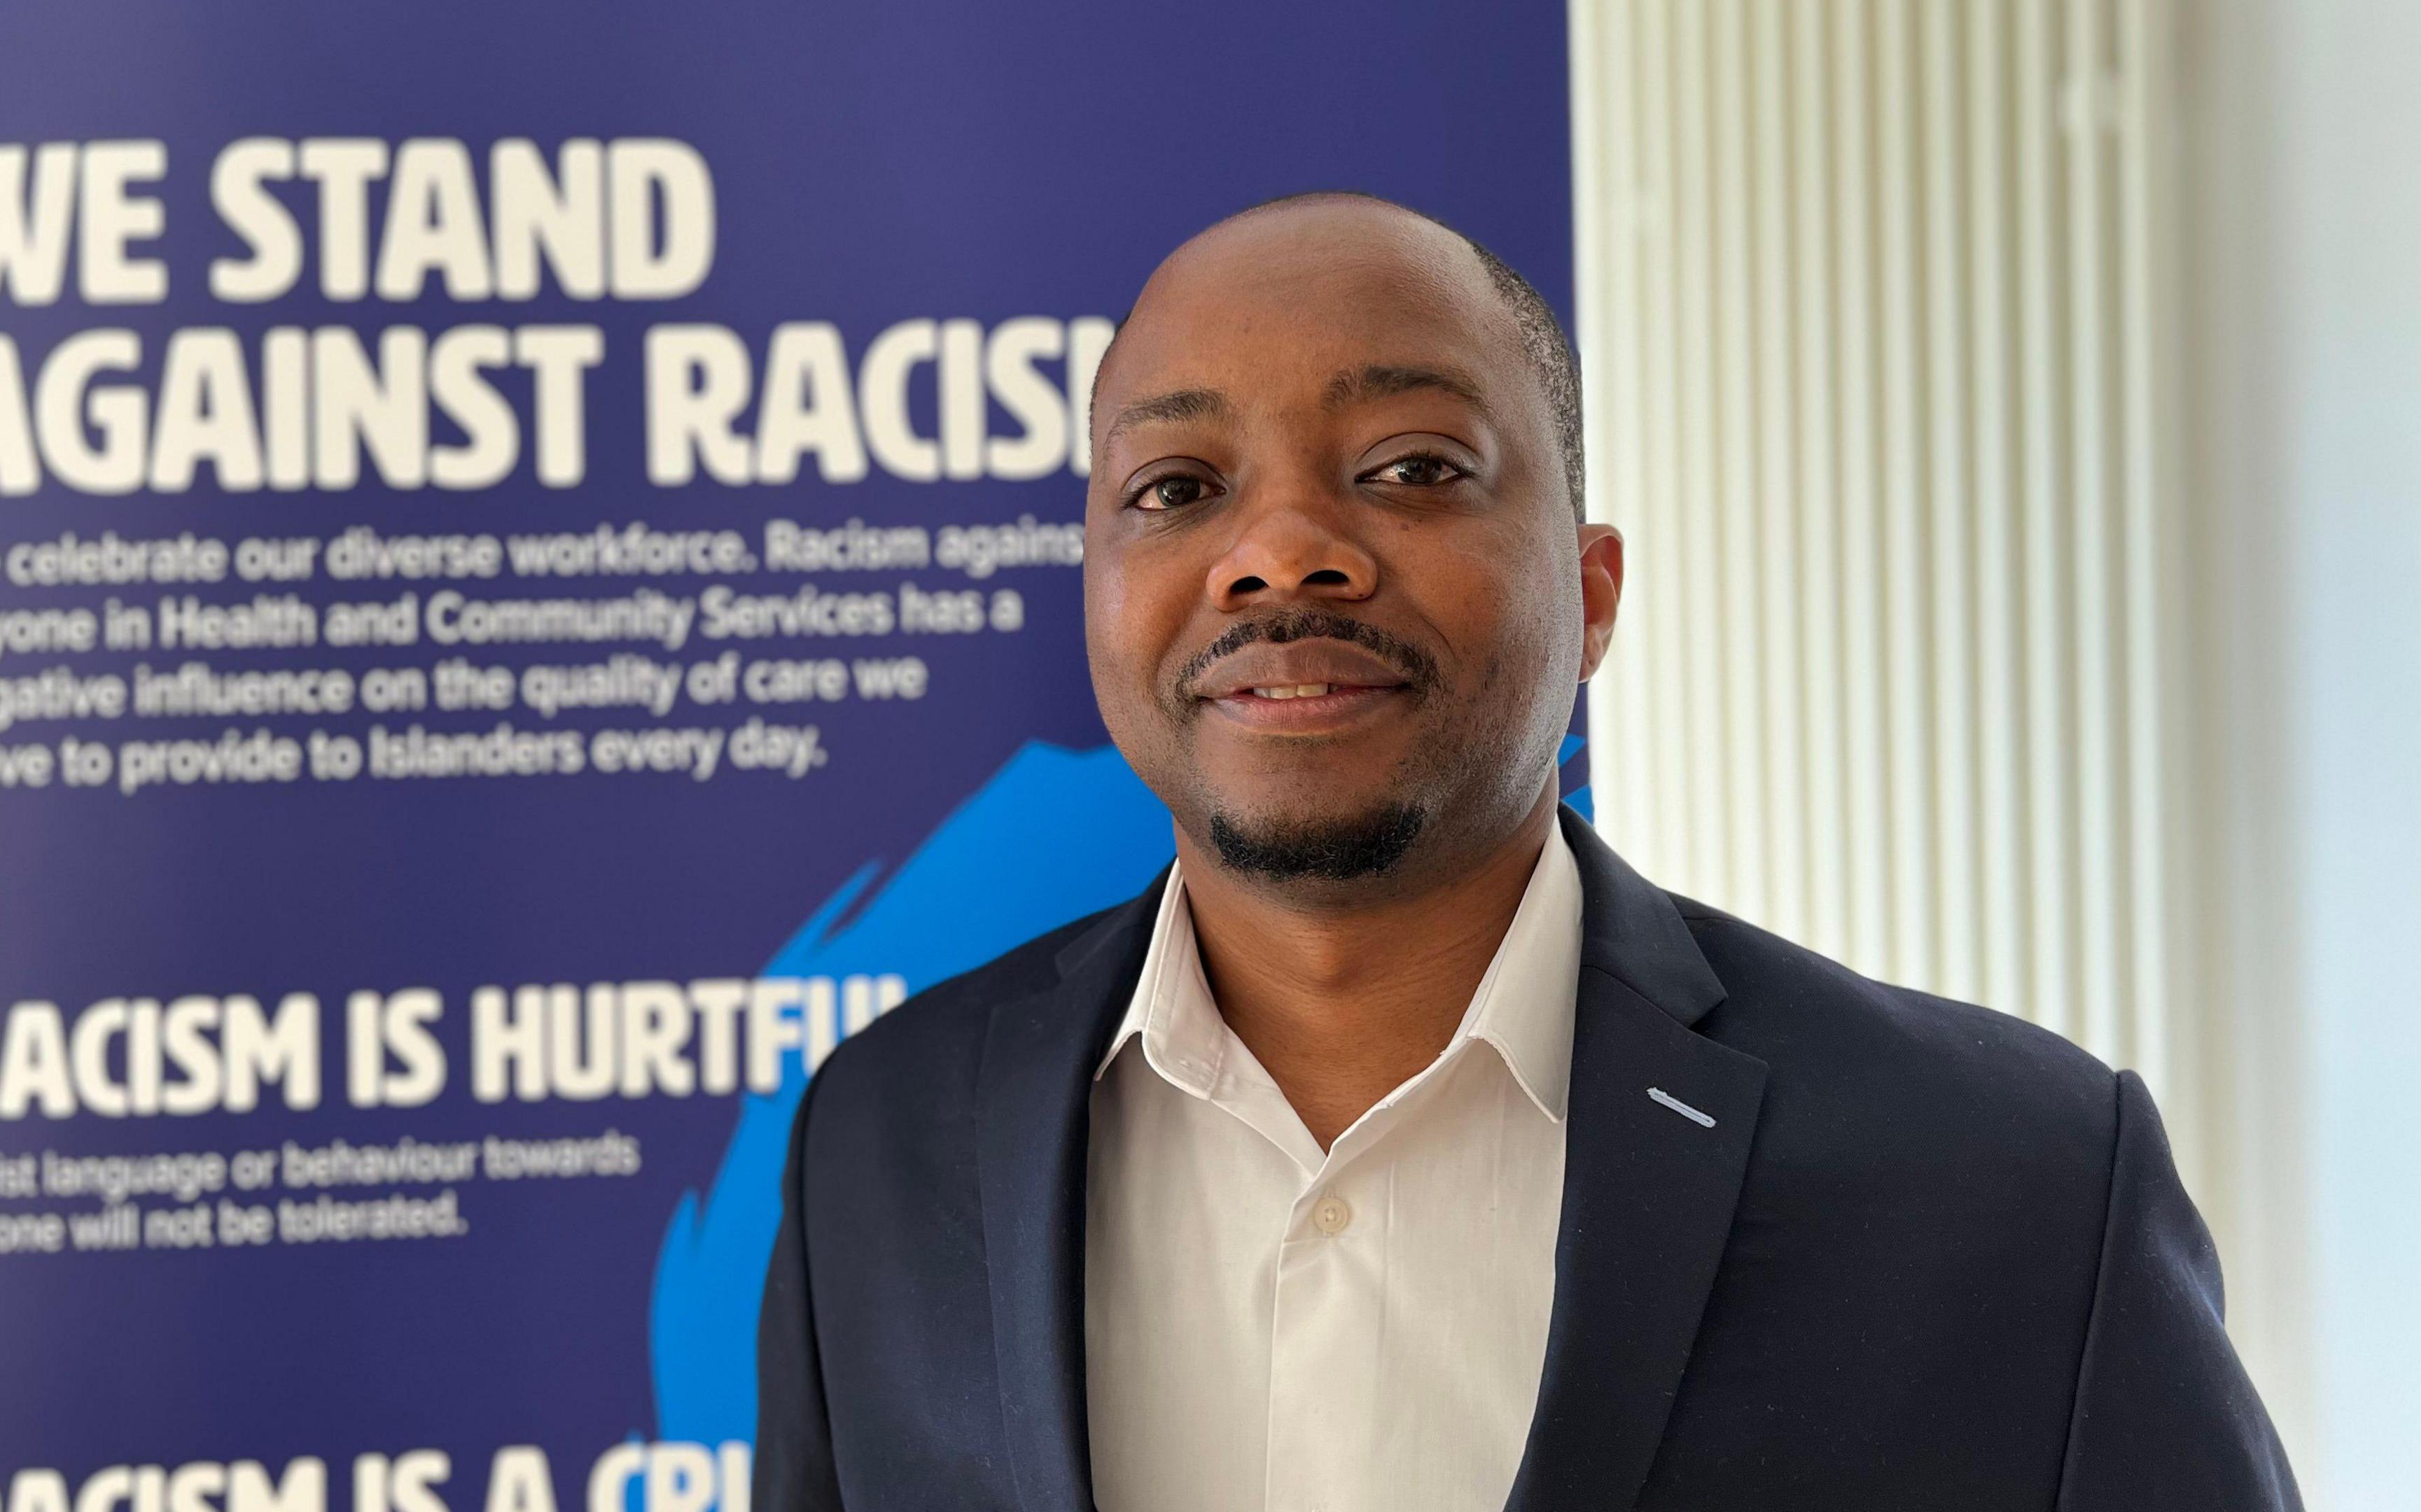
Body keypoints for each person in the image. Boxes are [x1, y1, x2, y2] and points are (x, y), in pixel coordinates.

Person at [755, 192, 2298, 1511]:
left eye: (1414, 468)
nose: (1283, 549)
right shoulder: (883, 1149)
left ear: (1594, 590)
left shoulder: (2016, 1183)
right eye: (1178, 489)